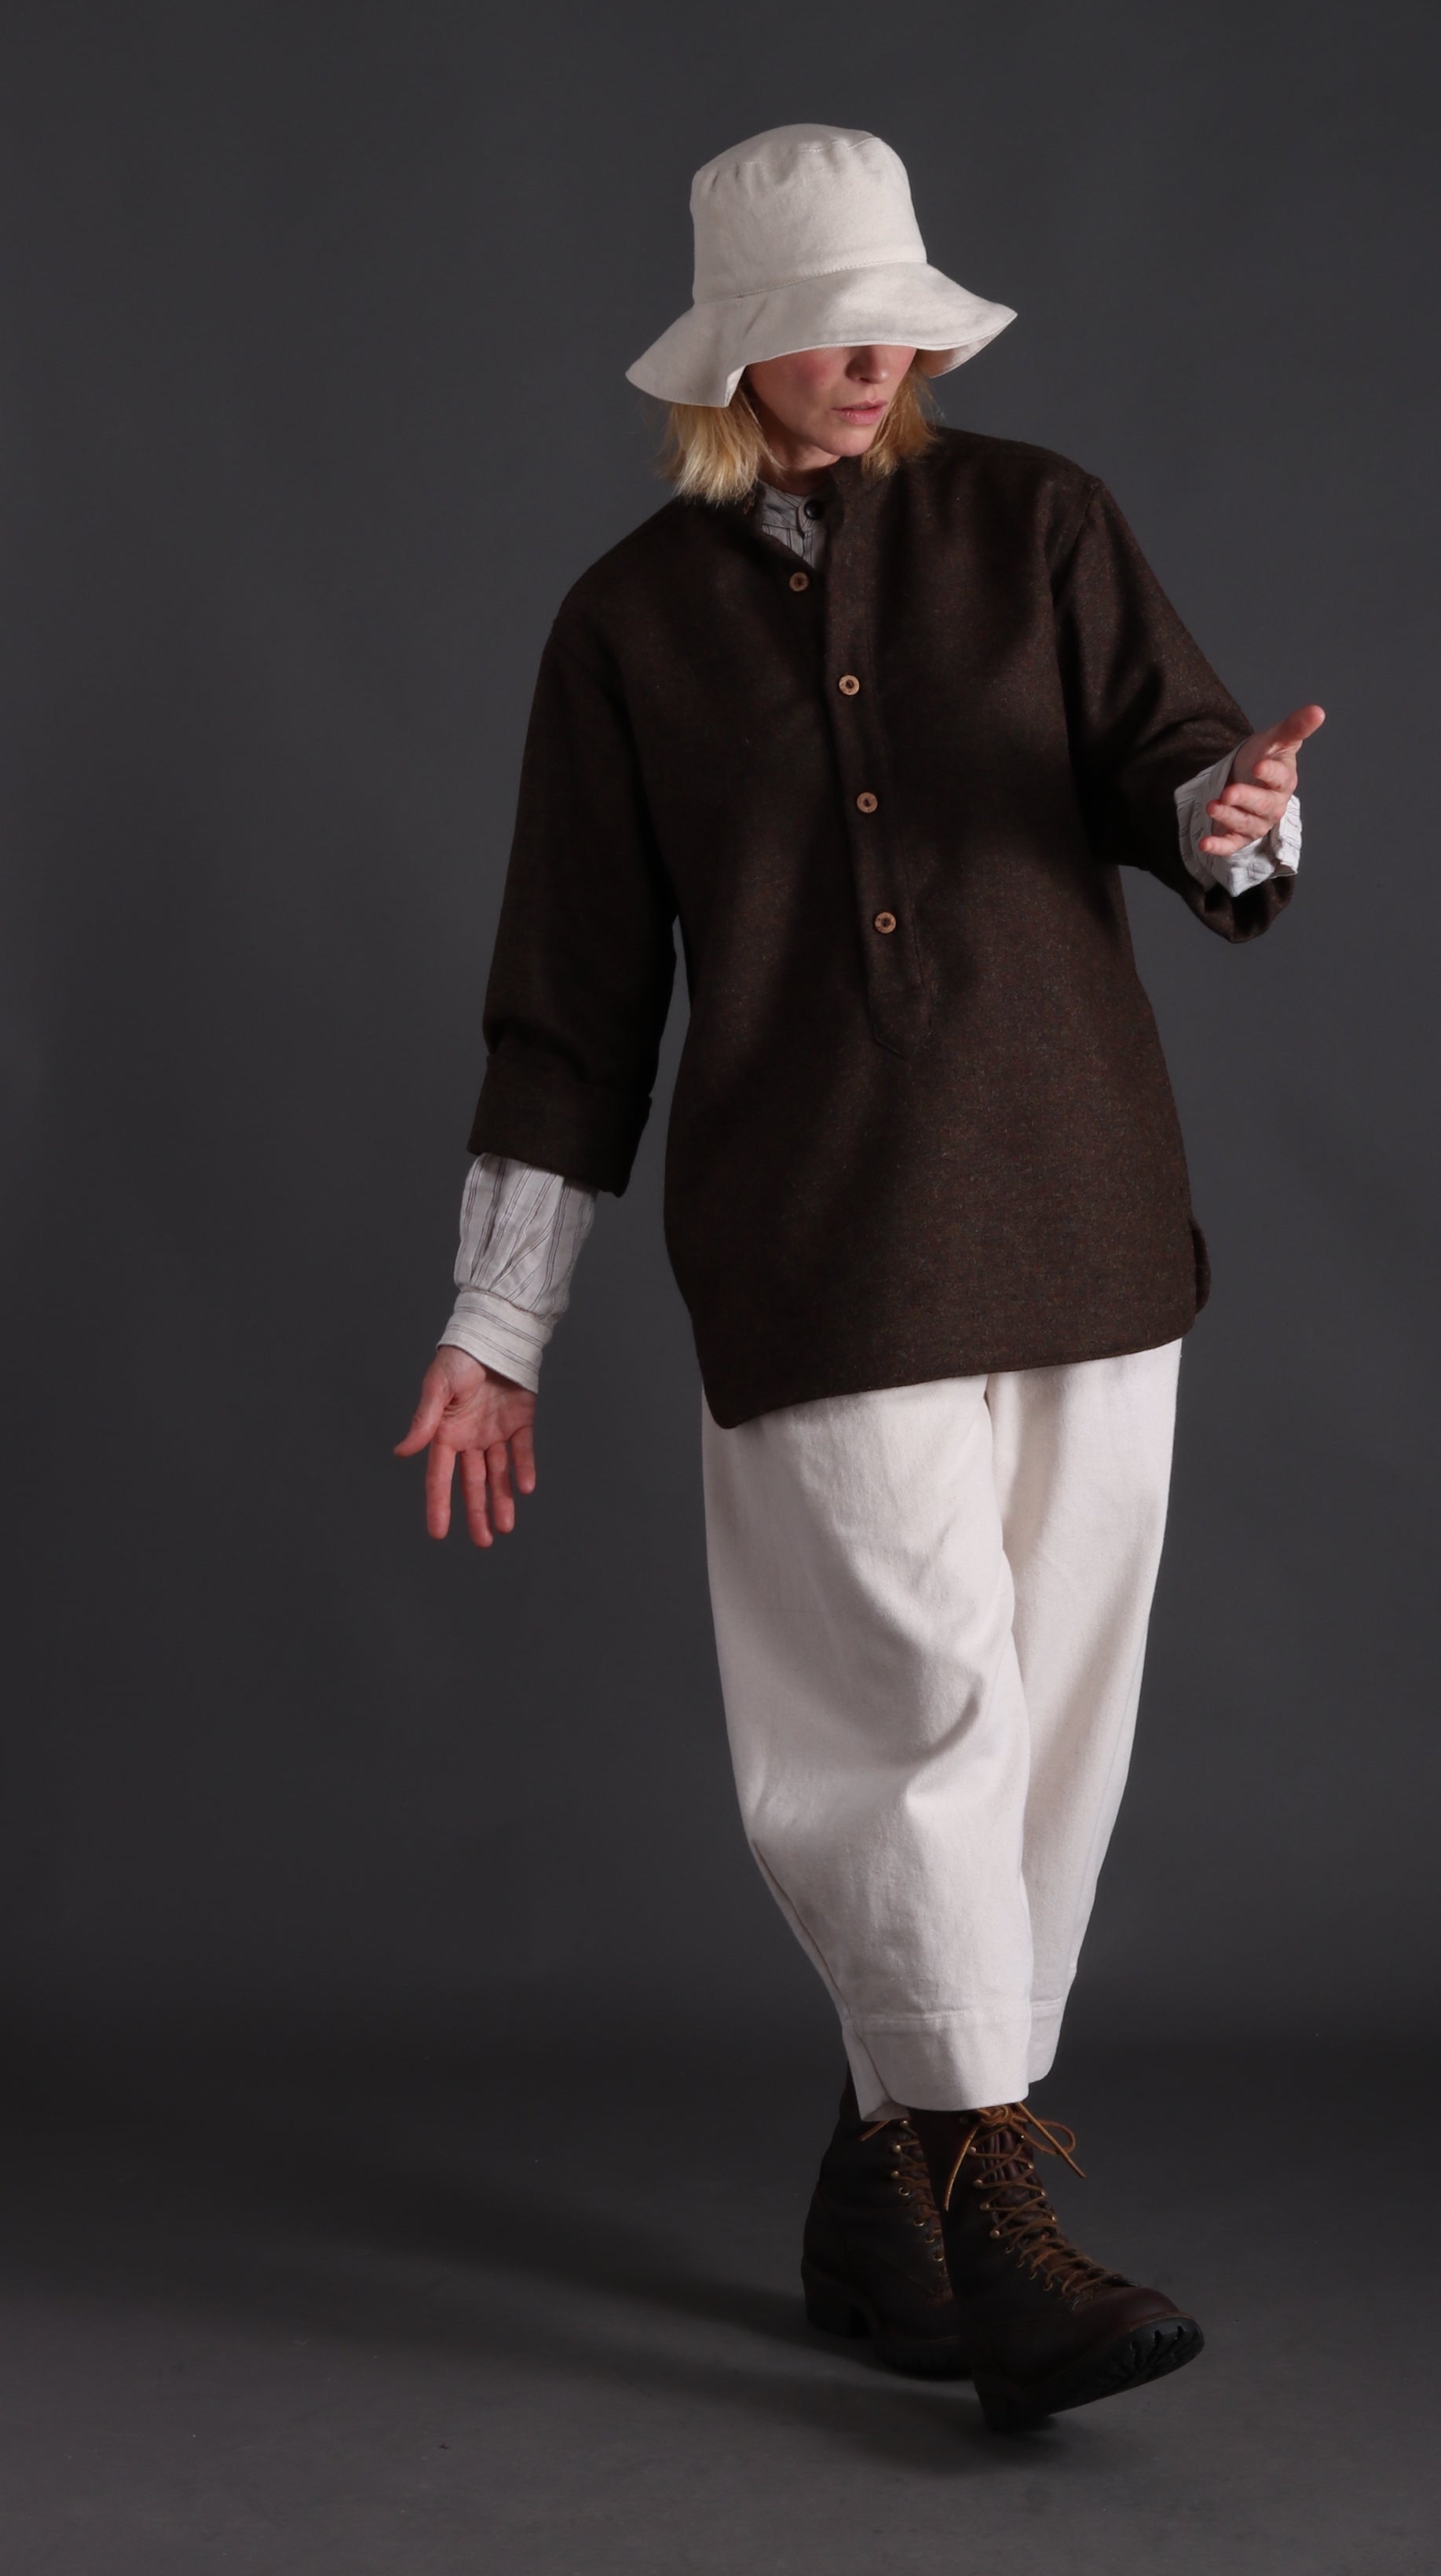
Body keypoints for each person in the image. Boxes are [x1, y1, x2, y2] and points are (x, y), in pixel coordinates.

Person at [396, 124, 1322, 2432]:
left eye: (903, 317)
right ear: (732, 347)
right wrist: (492, 1328)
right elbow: (572, 999)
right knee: (907, 1716)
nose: (876, 357)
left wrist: (1230, 820)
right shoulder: (626, 624)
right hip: (814, 1242)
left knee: (1037, 1749)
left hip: (1088, 1215)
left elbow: (1174, 767)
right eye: (830, 322)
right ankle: (1000, 2231)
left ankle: (865, 2189)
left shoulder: (1041, 524)